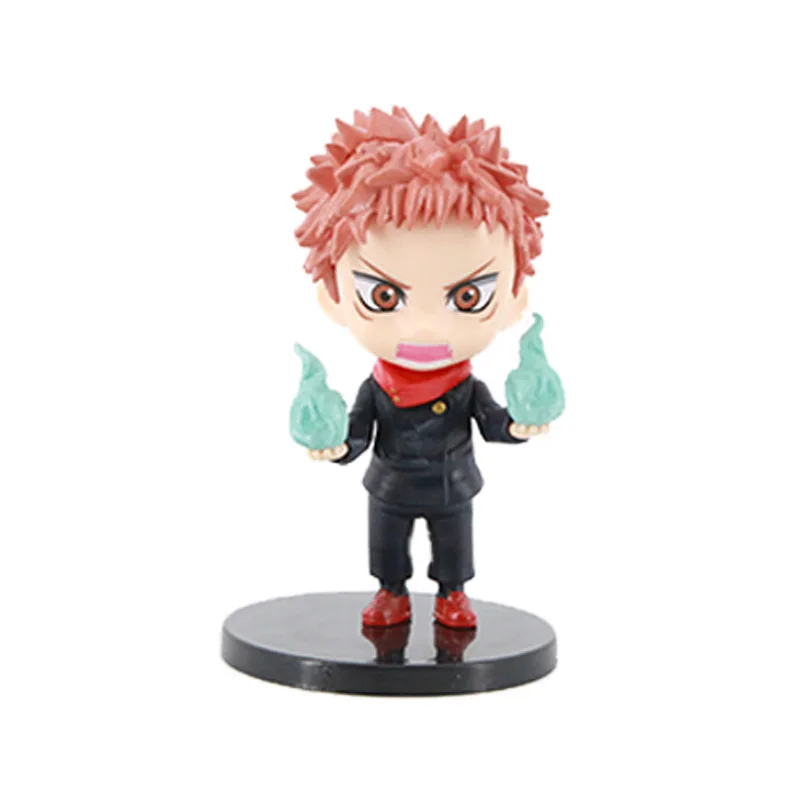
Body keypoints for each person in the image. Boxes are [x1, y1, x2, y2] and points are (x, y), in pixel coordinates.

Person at [293, 108, 551, 629]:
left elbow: (492, 423)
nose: (426, 328)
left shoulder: (465, 386)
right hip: (390, 484)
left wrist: (519, 425)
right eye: (384, 297)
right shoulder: (377, 387)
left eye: (468, 297)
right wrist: (337, 446)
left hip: (451, 482)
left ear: (513, 300)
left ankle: (452, 593)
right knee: (386, 543)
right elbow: (359, 433)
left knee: (453, 543)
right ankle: (391, 592)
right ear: (334, 298)